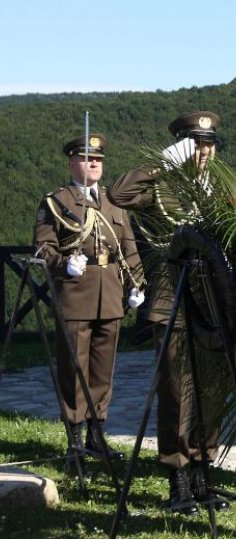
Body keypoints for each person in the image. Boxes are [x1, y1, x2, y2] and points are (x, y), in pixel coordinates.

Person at [109, 111, 230, 515]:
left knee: (211, 392)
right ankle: (177, 477)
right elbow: (118, 194)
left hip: (211, 301)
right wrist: (163, 162)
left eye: (209, 144)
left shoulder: (224, 187)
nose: (204, 152)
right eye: (195, 144)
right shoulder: (160, 187)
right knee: (177, 393)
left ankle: (203, 472)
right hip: (171, 301)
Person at [34, 133, 143, 464]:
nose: (94, 163)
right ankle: (75, 442)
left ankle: (97, 438)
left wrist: (136, 284)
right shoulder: (57, 201)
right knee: (74, 370)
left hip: (110, 296)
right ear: (71, 162)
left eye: (98, 159)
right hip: (74, 297)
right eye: (86, 158)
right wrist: (63, 264)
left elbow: (128, 246)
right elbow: (42, 249)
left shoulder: (113, 201)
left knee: (102, 371)